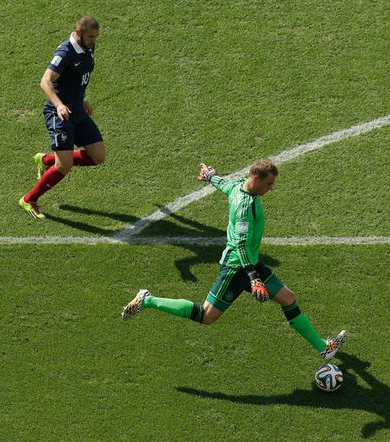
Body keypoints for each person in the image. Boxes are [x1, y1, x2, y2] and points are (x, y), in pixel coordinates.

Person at [121, 160, 346, 360]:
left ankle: (323, 348)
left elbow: (225, 185)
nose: (271, 188)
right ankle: (148, 300)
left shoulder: (240, 186)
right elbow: (240, 244)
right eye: (268, 184)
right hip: (236, 268)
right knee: (206, 316)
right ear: (256, 179)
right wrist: (254, 279)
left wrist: (210, 176)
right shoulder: (243, 207)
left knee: (288, 298)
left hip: (251, 263)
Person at [18, 16, 105, 219]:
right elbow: (45, 81)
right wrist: (59, 105)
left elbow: (76, 79)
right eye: (91, 36)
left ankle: (46, 160)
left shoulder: (88, 47)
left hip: (77, 110)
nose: (94, 40)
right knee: (63, 167)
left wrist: (83, 100)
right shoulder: (65, 52)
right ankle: (29, 199)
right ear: (78, 33)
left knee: (98, 156)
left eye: (96, 37)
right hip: (60, 114)